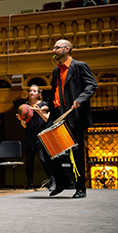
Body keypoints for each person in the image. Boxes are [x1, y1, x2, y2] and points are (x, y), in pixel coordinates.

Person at [41, 39, 98, 198]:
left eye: (57, 47)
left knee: (77, 152)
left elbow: (92, 84)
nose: (54, 50)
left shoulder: (79, 66)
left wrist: (80, 99)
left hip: (74, 114)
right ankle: (62, 180)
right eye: (53, 47)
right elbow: (55, 92)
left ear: (67, 49)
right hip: (58, 114)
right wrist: (47, 105)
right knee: (45, 144)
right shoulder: (56, 71)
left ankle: (81, 188)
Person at [16, 84, 55, 191]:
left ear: (38, 94)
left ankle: (53, 180)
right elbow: (25, 125)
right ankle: (30, 184)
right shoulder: (25, 106)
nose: (31, 92)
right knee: (29, 161)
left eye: (34, 91)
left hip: (41, 135)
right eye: (30, 90)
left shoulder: (43, 104)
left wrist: (38, 111)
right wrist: (21, 120)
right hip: (30, 135)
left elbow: (47, 119)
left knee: (43, 159)